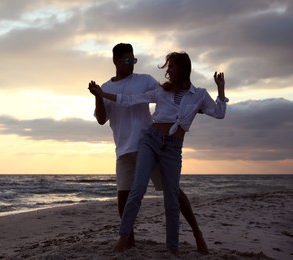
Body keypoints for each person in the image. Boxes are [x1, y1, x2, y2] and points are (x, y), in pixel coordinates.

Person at [89, 51, 227, 255]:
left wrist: (220, 89)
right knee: (137, 190)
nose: (168, 70)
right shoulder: (162, 91)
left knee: (171, 198)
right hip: (151, 140)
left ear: (183, 68)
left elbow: (219, 113)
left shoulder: (198, 95)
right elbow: (129, 99)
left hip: (172, 148)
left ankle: (173, 247)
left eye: (171, 66)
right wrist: (101, 95)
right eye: (167, 66)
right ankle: (123, 238)